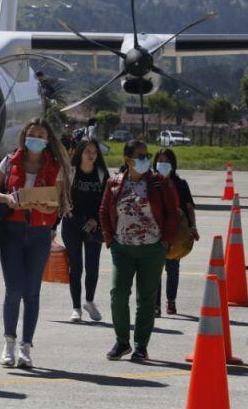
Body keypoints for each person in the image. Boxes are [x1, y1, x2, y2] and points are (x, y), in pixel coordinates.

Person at [0, 118, 72, 368]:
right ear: (24, 136)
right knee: (13, 290)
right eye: (32, 134)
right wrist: (6, 198)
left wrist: (49, 205)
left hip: (40, 234)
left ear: (48, 140)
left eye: (41, 135)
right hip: (11, 231)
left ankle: (26, 347)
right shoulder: (10, 161)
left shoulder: (54, 167)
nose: (35, 139)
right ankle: (9, 343)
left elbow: (59, 200)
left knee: (32, 292)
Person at [100, 139, 179, 362]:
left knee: (146, 299)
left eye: (147, 155)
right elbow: (104, 211)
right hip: (122, 249)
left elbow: (172, 213)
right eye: (141, 156)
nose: (146, 160)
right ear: (128, 160)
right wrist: (110, 240)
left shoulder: (158, 183)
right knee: (118, 294)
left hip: (152, 250)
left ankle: (141, 345)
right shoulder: (114, 183)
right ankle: (122, 341)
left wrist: (165, 242)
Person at [62, 139, 108, 323]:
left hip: (93, 227)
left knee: (92, 267)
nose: (91, 155)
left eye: (94, 152)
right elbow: (62, 198)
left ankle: (89, 301)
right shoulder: (71, 172)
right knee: (76, 267)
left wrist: (95, 219)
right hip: (72, 224)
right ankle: (76, 308)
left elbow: (106, 202)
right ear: (80, 153)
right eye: (87, 151)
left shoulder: (101, 174)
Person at [152, 148, 199, 316]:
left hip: (176, 232)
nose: (163, 164)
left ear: (173, 164)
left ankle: (171, 302)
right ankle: (155, 304)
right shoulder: (151, 182)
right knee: (154, 269)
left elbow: (189, 207)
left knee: (173, 268)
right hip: (155, 231)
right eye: (160, 161)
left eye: (166, 161)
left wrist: (193, 226)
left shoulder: (180, 183)